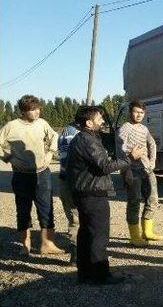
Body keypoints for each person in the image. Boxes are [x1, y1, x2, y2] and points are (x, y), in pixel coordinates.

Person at [66, 106, 143, 285]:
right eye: (99, 118)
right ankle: (101, 275)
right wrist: (130, 158)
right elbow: (104, 166)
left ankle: (85, 273)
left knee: (86, 233)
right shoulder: (87, 140)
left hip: (85, 192)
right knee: (99, 235)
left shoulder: (84, 138)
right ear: (88, 123)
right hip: (92, 194)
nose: (102, 121)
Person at [0, 94, 64, 256]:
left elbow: (54, 136)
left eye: (38, 109)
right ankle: (25, 244)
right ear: (23, 111)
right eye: (32, 110)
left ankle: (47, 244)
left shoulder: (42, 123)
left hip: (42, 174)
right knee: (23, 209)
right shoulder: (11, 126)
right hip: (21, 176)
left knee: (46, 208)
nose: (37, 112)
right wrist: (7, 157)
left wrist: (50, 153)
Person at [117, 100, 163, 247]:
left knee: (153, 199)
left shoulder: (143, 128)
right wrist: (128, 161)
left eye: (141, 113)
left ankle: (147, 232)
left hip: (146, 169)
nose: (138, 115)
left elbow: (152, 143)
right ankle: (135, 236)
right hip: (131, 170)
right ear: (130, 112)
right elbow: (120, 150)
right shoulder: (125, 128)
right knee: (134, 202)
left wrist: (153, 160)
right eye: (136, 112)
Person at [58, 122, 80, 264]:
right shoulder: (75, 135)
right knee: (78, 217)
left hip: (65, 180)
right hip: (75, 181)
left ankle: (76, 252)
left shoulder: (64, 133)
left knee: (74, 218)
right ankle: (78, 253)